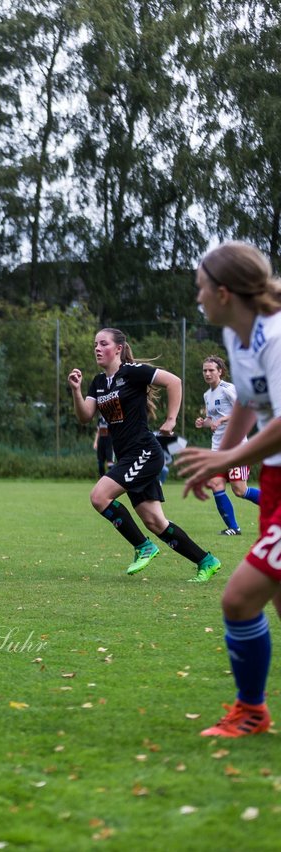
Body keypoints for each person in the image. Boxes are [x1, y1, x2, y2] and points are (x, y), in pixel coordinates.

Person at [176, 241, 281, 738]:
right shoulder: (236, 336)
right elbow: (250, 403)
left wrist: (227, 458)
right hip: (275, 482)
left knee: (239, 599)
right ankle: (254, 712)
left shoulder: (276, 335)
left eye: (200, 287)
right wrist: (221, 459)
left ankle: (251, 711)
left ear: (222, 291)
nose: (197, 297)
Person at [67, 328, 220, 582]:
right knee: (155, 522)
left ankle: (143, 547)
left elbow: (174, 382)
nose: (97, 348)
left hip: (145, 452)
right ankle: (206, 560)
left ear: (118, 348)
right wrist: (76, 390)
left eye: (103, 344)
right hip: (127, 456)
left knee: (99, 496)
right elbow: (84, 417)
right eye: (95, 344)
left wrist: (171, 420)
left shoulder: (132, 372)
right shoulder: (98, 382)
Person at [195, 355, 261, 535]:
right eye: (205, 370)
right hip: (218, 450)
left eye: (211, 370)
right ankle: (233, 527)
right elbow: (212, 420)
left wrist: (223, 418)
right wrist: (204, 422)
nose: (207, 373)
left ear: (220, 372)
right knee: (215, 484)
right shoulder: (207, 395)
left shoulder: (228, 389)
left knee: (240, 490)